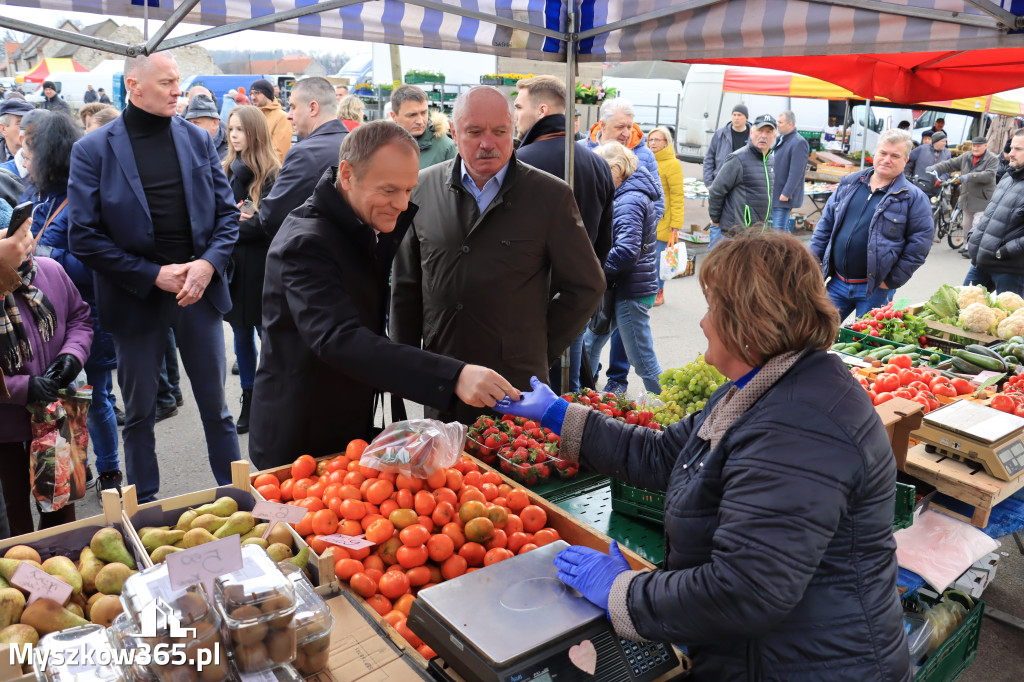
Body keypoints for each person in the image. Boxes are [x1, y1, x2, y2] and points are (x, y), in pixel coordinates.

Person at [495, 229, 910, 682]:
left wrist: (622, 591)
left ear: (748, 323)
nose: (702, 322)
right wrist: (558, 414)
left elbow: (744, 591)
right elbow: (663, 454)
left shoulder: (798, 428)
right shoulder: (762, 390)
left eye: (712, 308)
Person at [250, 121, 520, 468]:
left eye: (409, 190)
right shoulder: (307, 242)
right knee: (297, 522)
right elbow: (339, 338)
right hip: (301, 436)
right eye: (389, 190)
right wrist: (453, 376)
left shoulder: (358, 224)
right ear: (346, 175)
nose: (402, 204)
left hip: (347, 424)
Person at [68, 52, 242, 503]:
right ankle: (144, 510)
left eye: (177, 82)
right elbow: (83, 237)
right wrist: (151, 275)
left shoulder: (198, 140)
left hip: (197, 291)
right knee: (141, 414)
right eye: (166, 82)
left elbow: (227, 218)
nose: (176, 91)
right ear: (134, 86)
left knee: (217, 410)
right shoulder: (92, 149)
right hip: (136, 296)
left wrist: (206, 265)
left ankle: (239, 503)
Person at [390, 86, 605, 424]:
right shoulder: (422, 189)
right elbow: (405, 287)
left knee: (512, 471)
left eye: (499, 132)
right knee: (445, 474)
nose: (487, 143)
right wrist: (406, 367)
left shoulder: (550, 196)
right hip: (444, 378)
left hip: (517, 387)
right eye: (475, 132)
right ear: (455, 132)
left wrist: (539, 347)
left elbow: (588, 284)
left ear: (513, 131)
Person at [24, 112, 122, 492]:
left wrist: (47, 254)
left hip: (86, 317)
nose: (24, 155)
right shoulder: (37, 197)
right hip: (46, 319)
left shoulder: (85, 198)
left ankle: (110, 473)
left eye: (31, 148)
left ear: (50, 154)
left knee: (95, 399)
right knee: (60, 402)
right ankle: (70, 476)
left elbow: (96, 263)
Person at [513, 75, 614, 391]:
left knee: (531, 391)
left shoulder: (519, 163)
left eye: (518, 107)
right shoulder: (598, 165)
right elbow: (604, 242)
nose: (515, 115)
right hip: (579, 296)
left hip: (529, 303)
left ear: (541, 109)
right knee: (566, 390)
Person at [0, 195, 93, 535]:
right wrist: (24, 388)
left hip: (58, 416)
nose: (24, 246)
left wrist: (72, 356)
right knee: (14, 513)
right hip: (6, 428)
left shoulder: (50, 272)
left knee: (60, 502)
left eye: (25, 236)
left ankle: (58, 556)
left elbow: (80, 318)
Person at [810, 128, 933, 320]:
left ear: (905, 160)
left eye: (895, 156)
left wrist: (890, 281)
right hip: (837, 282)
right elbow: (825, 227)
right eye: (883, 153)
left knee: (863, 345)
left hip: (876, 290)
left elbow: (919, 246)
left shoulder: (914, 198)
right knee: (815, 336)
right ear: (875, 153)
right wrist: (812, 266)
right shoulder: (850, 184)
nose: (886, 159)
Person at [583, 143, 662, 394]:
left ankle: (675, 410)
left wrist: (596, 273)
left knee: (643, 360)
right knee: (591, 342)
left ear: (616, 168)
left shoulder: (629, 199)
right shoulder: (631, 194)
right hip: (629, 287)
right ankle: (580, 394)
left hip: (631, 291)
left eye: (600, 171)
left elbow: (626, 252)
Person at [222, 105, 280, 434]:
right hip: (234, 268)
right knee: (241, 335)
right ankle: (248, 396)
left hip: (261, 267)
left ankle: (269, 399)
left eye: (240, 129)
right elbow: (218, 218)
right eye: (231, 129)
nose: (233, 135)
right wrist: (235, 221)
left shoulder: (272, 172)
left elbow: (266, 225)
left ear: (255, 132)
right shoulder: (228, 168)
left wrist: (235, 224)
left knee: (265, 334)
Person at [257, 77, 349, 239]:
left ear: (313, 108)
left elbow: (272, 217)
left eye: (292, 107)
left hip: (312, 252)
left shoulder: (305, 153)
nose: (288, 115)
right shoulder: (354, 143)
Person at [964, 129, 1024, 296]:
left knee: (1010, 320)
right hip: (981, 262)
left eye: (1018, 149)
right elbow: (992, 213)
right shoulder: (1008, 177)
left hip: (1011, 269)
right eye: (1011, 148)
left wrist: (1004, 251)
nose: (1010, 154)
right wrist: (974, 235)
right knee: (960, 312)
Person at [583, 98, 664, 220]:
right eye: (620, 127)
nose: (626, 133)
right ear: (603, 125)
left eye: (629, 127)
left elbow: (657, 203)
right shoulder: (581, 149)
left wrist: (637, 231)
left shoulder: (645, 155)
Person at [707, 114, 777, 248]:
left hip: (757, 236)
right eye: (760, 130)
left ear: (774, 136)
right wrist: (715, 221)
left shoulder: (770, 160)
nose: (763, 136)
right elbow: (716, 191)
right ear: (751, 132)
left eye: (769, 132)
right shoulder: (737, 159)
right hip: (735, 236)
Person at [930, 135, 999, 257]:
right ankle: (966, 245)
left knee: (977, 225)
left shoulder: (992, 159)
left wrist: (969, 176)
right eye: (974, 146)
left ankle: (971, 249)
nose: (975, 148)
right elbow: (950, 164)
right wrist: (935, 168)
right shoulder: (967, 156)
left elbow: (989, 175)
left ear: (985, 146)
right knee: (966, 225)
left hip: (982, 199)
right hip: (967, 198)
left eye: (978, 146)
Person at [645, 126, 684, 306]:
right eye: (650, 139)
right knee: (646, 259)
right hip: (646, 217)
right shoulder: (645, 160)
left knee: (659, 261)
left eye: (656, 140)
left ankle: (659, 292)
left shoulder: (673, 164)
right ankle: (647, 291)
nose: (652, 143)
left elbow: (677, 195)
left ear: (666, 142)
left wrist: (676, 222)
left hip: (664, 220)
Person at [390, 85, 457, 169]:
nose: (420, 121)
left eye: (424, 113)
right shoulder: (380, 145)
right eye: (412, 115)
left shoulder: (446, 148)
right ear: (394, 116)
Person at [771, 110, 810, 233]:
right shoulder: (780, 139)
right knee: (780, 231)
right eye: (777, 122)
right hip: (774, 193)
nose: (777, 125)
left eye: (781, 122)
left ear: (790, 124)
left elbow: (796, 173)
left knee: (779, 234)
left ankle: (784, 252)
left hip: (783, 197)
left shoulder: (799, 142)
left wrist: (786, 194)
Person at [702, 104, 751, 187]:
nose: (736, 118)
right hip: (721, 181)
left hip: (744, 184)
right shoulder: (720, 134)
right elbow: (709, 158)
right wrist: (708, 183)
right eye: (734, 115)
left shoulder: (754, 135)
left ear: (746, 118)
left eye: (739, 115)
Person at [249, 78, 292, 163]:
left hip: (269, 172)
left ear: (267, 94)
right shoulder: (251, 116)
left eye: (257, 93)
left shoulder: (282, 117)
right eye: (251, 93)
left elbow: (279, 153)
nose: (253, 97)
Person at [905, 130, 951, 197]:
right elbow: (908, 163)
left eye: (945, 141)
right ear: (936, 141)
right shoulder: (921, 149)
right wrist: (907, 177)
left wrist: (942, 179)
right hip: (919, 188)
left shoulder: (947, 153)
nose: (945, 143)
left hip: (936, 190)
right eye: (943, 141)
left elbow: (948, 169)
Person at [184, 94, 228, 159]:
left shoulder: (232, 148)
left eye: (196, 123)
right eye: (189, 123)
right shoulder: (183, 144)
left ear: (215, 123)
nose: (191, 127)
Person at [0, 98, 33, 163]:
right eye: (21, 123)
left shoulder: (44, 156)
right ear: (3, 129)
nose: (28, 128)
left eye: (30, 122)